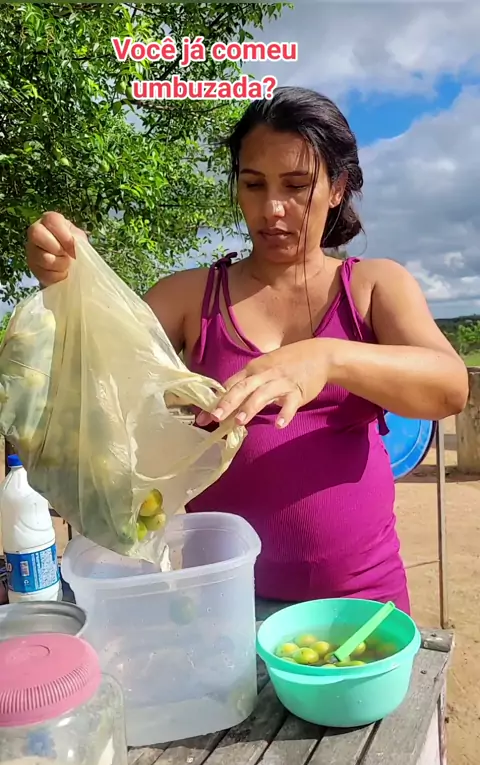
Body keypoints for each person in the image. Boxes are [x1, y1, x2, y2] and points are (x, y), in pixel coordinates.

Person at [26, 86, 468, 614]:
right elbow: (92, 376)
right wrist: (69, 283)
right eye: (254, 184)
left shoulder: (373, 287)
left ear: (337, 188)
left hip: (362, 606)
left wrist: (326, 357)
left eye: (297, 185)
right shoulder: (189, 297)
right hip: (223, 604)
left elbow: (448, 387)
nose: (272, 209)